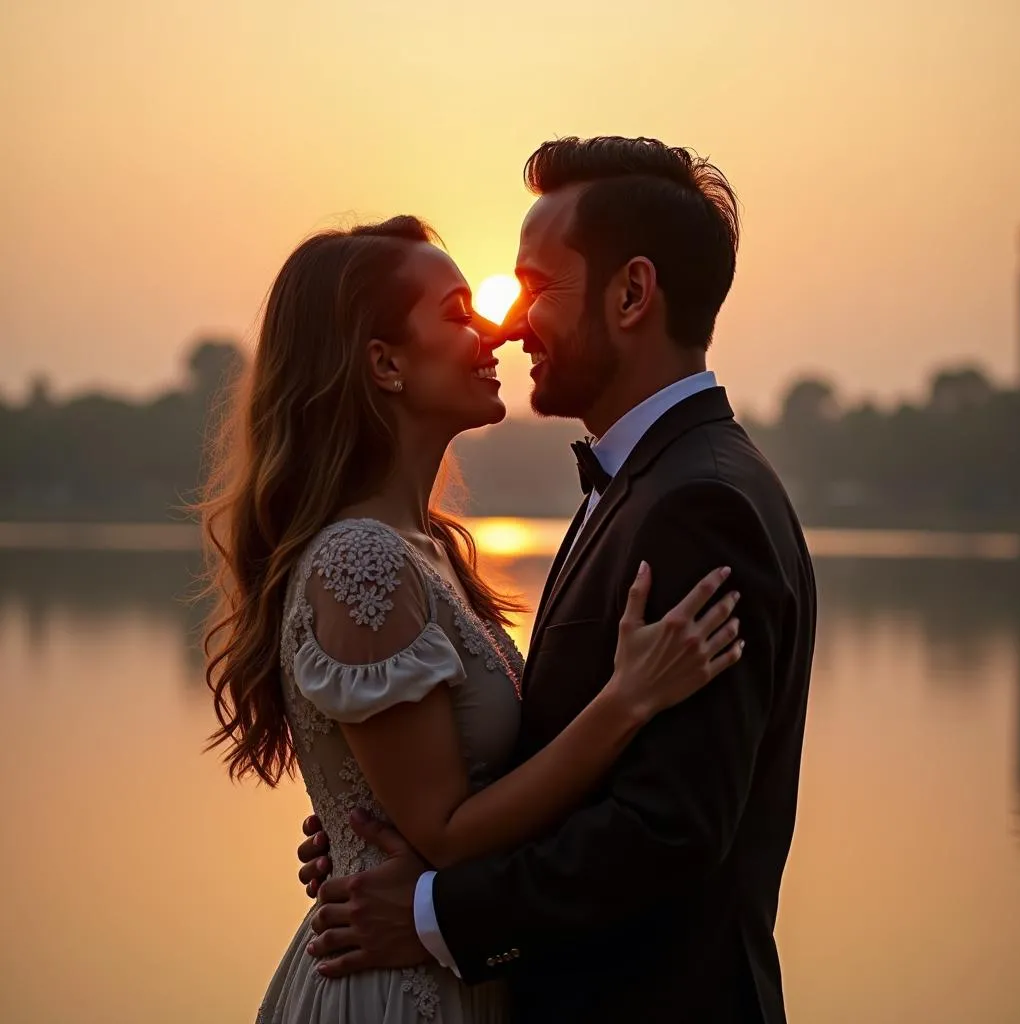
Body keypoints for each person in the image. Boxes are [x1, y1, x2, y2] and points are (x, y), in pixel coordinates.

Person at [297, 137, 817, 1023]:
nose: (509, 321)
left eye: (536, 288)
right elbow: (567, 763)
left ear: (631, 294)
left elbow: (666, 832)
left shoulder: (699, 505)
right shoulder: (648, 481)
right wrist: (383, 809)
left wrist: (429, 913)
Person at [200, 213, 744, 1024]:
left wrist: (370, 834)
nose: (494, 331)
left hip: (447, 965)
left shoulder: (427, 549)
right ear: (384, 363)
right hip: (394, 989)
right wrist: (626, 702)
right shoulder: (365, 560)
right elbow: (450, 832)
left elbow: (439, 811)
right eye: (458, 312)